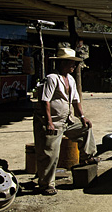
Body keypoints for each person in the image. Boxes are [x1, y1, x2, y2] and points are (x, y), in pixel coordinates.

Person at [33, 47, 99, 195]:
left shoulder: (71, 79)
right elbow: (45, 101)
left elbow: (76, 102)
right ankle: (46, 184)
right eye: (71, 63)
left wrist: (82, 117)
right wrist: (49, 122)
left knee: (85, 129)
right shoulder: (52, 78)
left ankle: (87, 157)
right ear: (63, 63)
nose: (74, 66)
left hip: (67, 120)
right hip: (52, 121)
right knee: (50, 153)